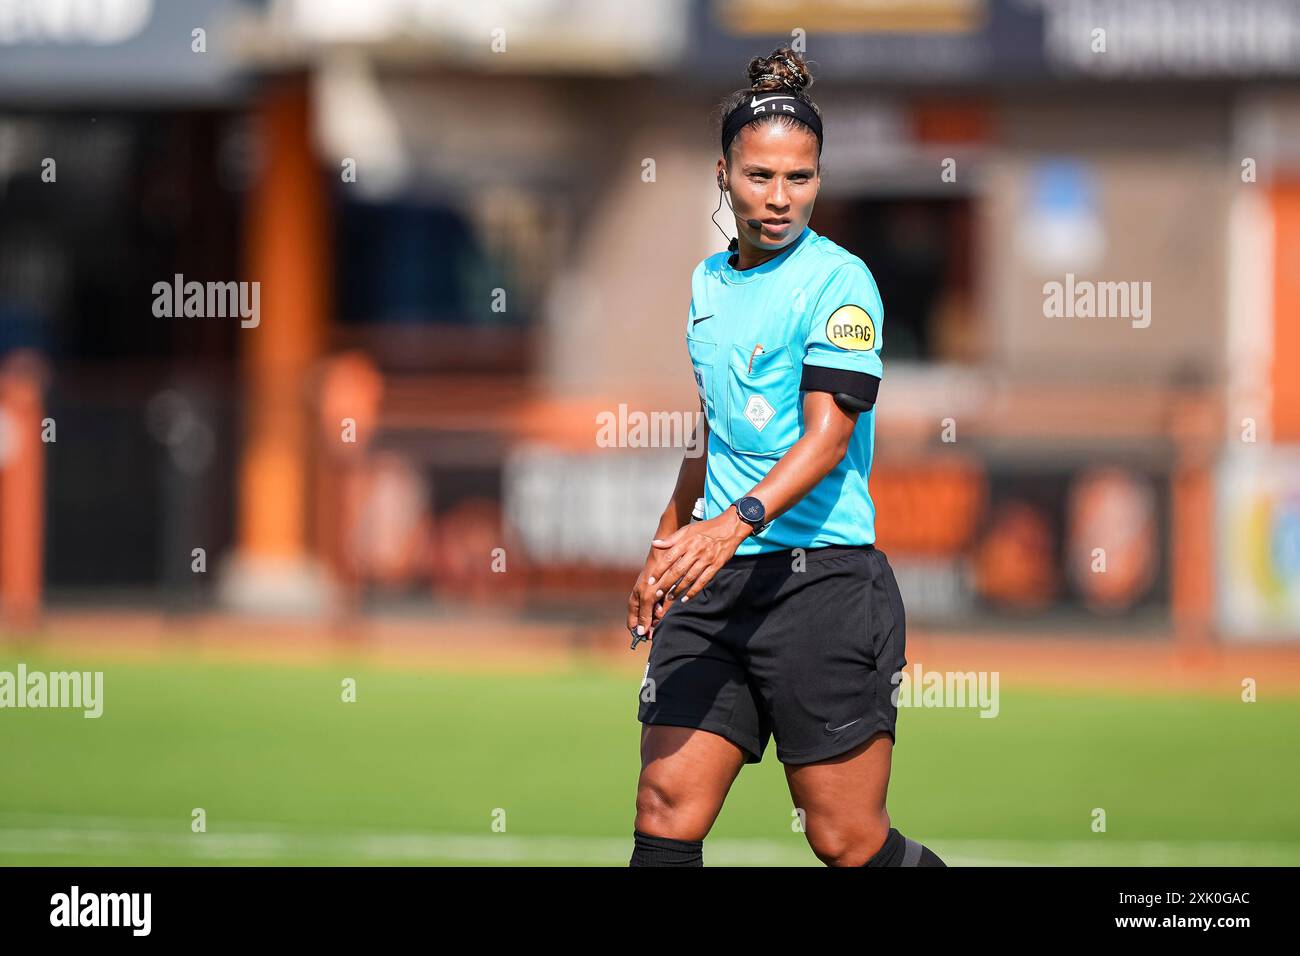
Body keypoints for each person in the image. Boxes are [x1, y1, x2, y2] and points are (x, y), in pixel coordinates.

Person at [625, 46, 945, 868]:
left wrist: (729, 526)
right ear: (723, 173)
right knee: (666, 806)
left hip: (822, 582)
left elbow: (828, 436)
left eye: (799, 179)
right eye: (760, 176)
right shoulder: (706, 284)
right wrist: (668, 544)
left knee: (845, 839)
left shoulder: (842, 284)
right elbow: (709, 430)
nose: (778, 198)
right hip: (713, 580)